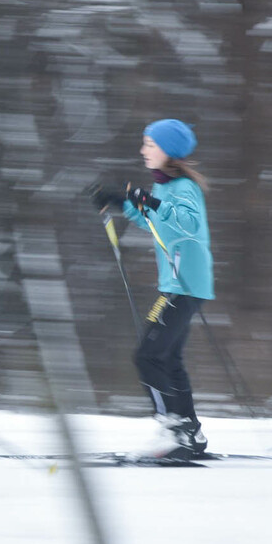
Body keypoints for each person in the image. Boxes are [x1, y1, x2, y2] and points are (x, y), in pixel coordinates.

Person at [86, 119, 214, 460]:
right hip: (181, 284)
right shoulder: (165, 187)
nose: (144, 150)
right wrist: (123, 203)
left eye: (150, 144)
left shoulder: (183, 187)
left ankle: (173, 429)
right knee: (167, 357)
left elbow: (189, 224)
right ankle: (190, 431)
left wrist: (150, 202)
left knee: (147, 355)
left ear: (168, 150)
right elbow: (156, 222)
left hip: (184, 284)